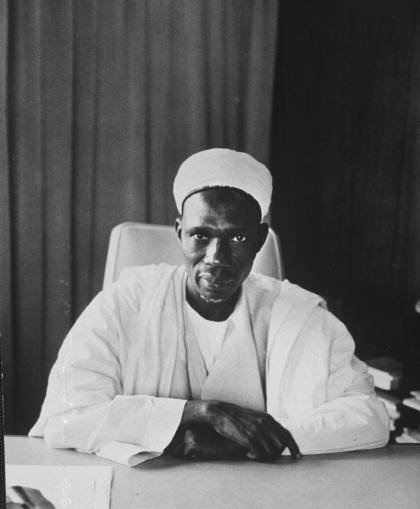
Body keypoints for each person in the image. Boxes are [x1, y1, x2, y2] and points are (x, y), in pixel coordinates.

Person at [29, 148, 390, 465]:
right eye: (201, 235)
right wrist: (198, 412)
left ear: (260, 239)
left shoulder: (298, 313)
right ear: (179, 233)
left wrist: (240, 444)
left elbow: (369, 417)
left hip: (264, 495)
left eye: (237, 237)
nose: (216, 257)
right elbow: (65, 417)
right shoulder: (126, 302)